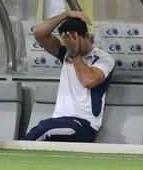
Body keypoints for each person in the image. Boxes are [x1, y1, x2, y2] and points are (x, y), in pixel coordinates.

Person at [24, 11, 115, 143]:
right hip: (59, 121)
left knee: (43, 130)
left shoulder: (103, 58)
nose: (69, 44)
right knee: (44, 129)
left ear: (86, 36)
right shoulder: (65, 53)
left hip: (84, 125)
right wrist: (66, 15)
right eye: (66, 41)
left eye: (73, 40)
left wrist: (75, 54)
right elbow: (39, 33)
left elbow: (88, 81)